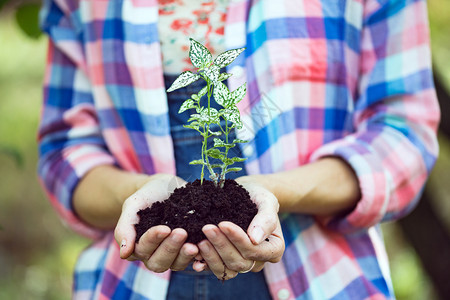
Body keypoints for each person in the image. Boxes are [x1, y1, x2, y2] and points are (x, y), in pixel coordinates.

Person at [37, 0, 440, 299]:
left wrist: (275, 191)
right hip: (132, 283)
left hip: (323, 280)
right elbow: (65, 154)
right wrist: (140, 198)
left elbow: (403, 132)